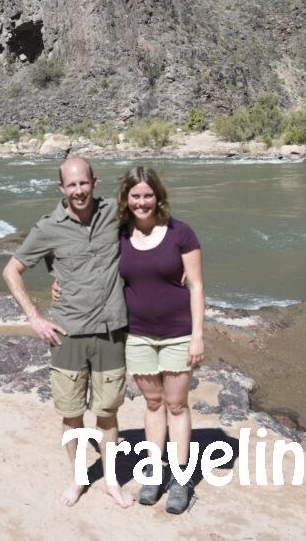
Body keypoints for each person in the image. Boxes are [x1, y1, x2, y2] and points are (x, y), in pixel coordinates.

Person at [1, 157, 133, 508]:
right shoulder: (47, 228)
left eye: (83, 183)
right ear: (62, 188)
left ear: (94, 181)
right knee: (72, 415)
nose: (78, 190)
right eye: (71, 185)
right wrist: (35, 317)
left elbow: (153, 226)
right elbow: (12, 271)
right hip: (68, 334)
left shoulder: (116, 213)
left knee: (107, 414)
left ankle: (111, 482)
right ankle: (77, 478)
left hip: (111, 330)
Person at [117, 165, 204, 514]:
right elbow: (89, 263)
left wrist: (198, 336)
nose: (142, 202)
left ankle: (181, 479)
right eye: (135, 196)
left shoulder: (181, 233)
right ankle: (154, 473)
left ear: (158, 196)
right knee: (153, 403)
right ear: (127, 199)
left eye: (147, 195)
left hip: (178, 334)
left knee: (177, 404)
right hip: (136, 335)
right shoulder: (119, 234)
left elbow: (196, 285)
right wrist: (59, 282)